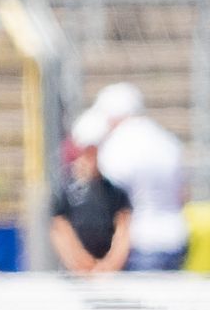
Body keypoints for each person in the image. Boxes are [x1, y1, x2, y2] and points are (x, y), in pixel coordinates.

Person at [92, 82, 187, 272]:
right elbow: (182, 193)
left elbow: (113, 203)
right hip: (175, 236)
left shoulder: (116, 145)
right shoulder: (166, 141)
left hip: (137, 240)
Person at [50, 110, 131, 274]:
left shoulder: (114, 192)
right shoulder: (66, 190)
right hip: (75, 273)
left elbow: (123, 231)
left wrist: (109, 266)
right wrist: (81, 263)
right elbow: (60, 230)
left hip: (108, 274)